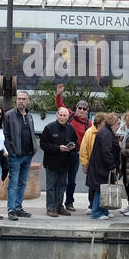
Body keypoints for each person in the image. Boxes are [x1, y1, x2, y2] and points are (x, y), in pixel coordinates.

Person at [3, 91, 37, 220]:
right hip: (15, 156)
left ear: (28, 101)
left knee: (22, 182)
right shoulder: (9, 115)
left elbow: (32, 133)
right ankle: (11, 210)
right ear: (16, 100)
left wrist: (34, 149)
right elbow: (6, 136)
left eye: (23, 99)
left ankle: (18, 207)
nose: (21, 101)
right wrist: (11, 151)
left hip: (28, 155)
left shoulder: (29, 115)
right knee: (13, 183)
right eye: (19, 99)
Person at [54, 84, 88, 213]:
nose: (81, 110)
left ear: (87, 111)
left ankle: (69, 202)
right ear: (76, 108)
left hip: (75, 154)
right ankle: (58, 203)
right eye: (79, 108)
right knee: (60, 179)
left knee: (71, 180)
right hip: (63, 152)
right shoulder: (70, 116)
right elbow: (60, 106)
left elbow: (89, 141)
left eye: (84, 109)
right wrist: (58, 94)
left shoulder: (88, 124)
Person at [40, 107, 78, 217]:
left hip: (65, 162)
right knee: (51, 186)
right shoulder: (49, 127)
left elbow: (75, 143)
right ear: (57, 115)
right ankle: (51, 208)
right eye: (60, 115)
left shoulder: (71, 128)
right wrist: (58, 148)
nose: (62, 117)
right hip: (51, 162)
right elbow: (43, 144)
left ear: (68, 117)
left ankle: (59, 206)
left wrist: (73, 147)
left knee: (62, 185)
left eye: (65, 115)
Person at [87, 112, 120, 220]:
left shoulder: (106, 132)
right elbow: (106, 151)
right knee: (100, 189)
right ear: (112, 123)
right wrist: (112, 166)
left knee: (103, 189)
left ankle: (104, 210)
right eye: (117, 124)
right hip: (101, 167)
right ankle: (96, 212)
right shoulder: (106, 133)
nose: (119, 126)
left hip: (101, 166)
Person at [79, 111, 102, 211]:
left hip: (101, 164)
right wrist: (84, 164)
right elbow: (83, 149)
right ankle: (91, 205)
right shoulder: (89, 132)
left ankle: (99, 206)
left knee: (100, 186)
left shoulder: (104, 131)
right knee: (92, 186)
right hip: (92, 163)